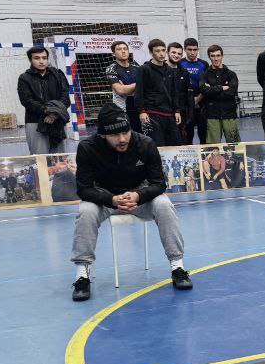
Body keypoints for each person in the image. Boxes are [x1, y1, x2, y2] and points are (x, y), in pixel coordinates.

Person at [69, 103, 193, 301]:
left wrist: (139, 196)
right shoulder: (87, 148)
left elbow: (159, 184)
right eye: (115, 135)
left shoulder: (146, 144)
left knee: (164, 205)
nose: (122, 139)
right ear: (102, 135)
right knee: (86, 211)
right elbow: (83, 189)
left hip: (139, 196)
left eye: (125, 132)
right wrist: (111, 199)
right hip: (105, 198)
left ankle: (177, 266)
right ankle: (82, 275)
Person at [17, 46, 71, 155]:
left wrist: (55, 114)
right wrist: (48, 111)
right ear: (30, 60)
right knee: (40, 159)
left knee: (60, 159)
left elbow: (65, 97)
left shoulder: (58, 75)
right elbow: (27, 101)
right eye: (37, 58)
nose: (41, 61)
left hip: (58, 121)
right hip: (35, 122)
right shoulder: (24, 78)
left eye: (44, 58)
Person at [134, 39, 182, 147]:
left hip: (169, 113)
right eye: (157, 51)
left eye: (163, 50)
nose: (161, 53)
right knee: (157, 145)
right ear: (151, 52)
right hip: (152, 113)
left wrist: (177, 110)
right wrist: (141, 111)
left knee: (176, 144)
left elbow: (174, 92)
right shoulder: (144, 69)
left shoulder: (170, 70)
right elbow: (139, 91)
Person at [200, 45, 241, 144]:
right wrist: (222, 88)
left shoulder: (231, 74)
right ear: (209, 57)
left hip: (229, 115)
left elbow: (232, 92)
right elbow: (204, 91)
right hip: (212, 116)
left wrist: (212, 91)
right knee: (212, 146)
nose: (216, 58)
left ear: (222, 56)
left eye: (218, 55)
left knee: (234, 144)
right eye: (213, 56)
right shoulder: (204, 75)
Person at [104, 41, 141, 135]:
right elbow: (120, 90)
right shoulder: (111, 69)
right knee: (127, 137)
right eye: (119, 49)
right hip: (122, 111)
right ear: (113, 53)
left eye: (125, 49)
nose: (123, 51)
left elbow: (146, 88)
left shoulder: (137, 67)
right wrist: (139, 84)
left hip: (139, 108)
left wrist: (127, 87)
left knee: (141, 138)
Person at [179, 38, 209, 144]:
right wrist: (190, 101)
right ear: (185, 50)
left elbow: (207, 84)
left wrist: (198, 98)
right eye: (189, 49)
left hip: (201, 103)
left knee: (203, 134)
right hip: (186, 105)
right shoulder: (180, 63)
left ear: (198, 50)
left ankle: (205, 159)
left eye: (195, 49)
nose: (192, 52)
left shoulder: (204, 64)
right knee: (188, 135)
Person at [167, 42, 195, 144]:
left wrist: (190, 115)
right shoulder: (162, 71)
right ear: (167, 53)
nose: (176, 55)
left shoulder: (184, 73)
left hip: (182, 113)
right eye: (173, 52)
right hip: (166, 113)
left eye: (179, 53)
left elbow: (189, 95)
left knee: (185, 141)